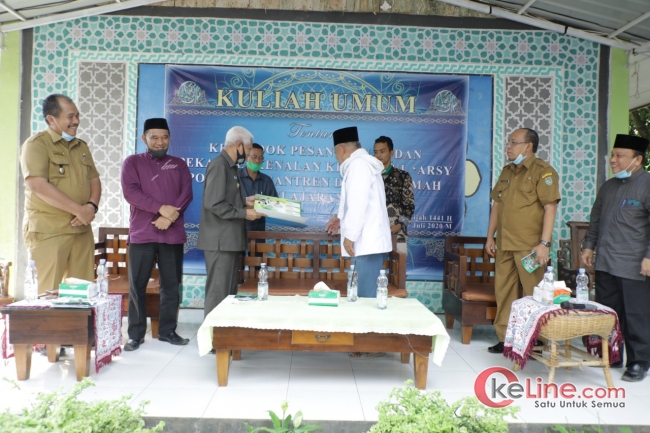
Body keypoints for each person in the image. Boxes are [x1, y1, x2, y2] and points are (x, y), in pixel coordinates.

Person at [485, 128, 560, 354]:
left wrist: (544, 244)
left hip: (530, 248)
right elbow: (497, 205)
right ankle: (506, 338)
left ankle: (535, 339)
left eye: (514, 142)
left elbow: (550, 207)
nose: (508, 146)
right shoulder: (507, 171)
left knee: (534, 295)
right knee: (504, 292)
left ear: (528, 146)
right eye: (508, 142)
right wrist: (490, 236)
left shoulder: (543, 172)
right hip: (505, 243)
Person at [582, 134, 650, 382]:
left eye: (620, 155)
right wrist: (589, 246)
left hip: (635, 265)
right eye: (613, 154)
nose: (613, 160)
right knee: (608, 314)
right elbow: (596, 219)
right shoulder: (608, 186)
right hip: (606, 262)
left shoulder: (647, 184)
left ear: (638, 159)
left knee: (636, 316)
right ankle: (612, 355)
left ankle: (639, 362)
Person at [120, 118, 193, 351]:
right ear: (144, 139)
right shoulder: (132, 163)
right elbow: (131, 193)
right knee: (137, 285)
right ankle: (135, 334)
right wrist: (160, 209)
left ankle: (168, 331)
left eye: (164, 137)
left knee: (171, 285)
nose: (160, 142)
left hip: (171, 235)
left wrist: (167, 217)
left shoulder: (179, 164)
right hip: (142, 234)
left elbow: (186, 195)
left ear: (169, 138)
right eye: (154, 137)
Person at [20, 94, 101, 294]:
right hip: (50, 231)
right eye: (70, 116)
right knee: (47, 294)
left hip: (81, 231)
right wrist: (79, 210)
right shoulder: (36, 145)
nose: (76, 121)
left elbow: (94, 180)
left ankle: (79, 328)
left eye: (77, 116)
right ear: (51, 119)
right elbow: (37, 184)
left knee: (82, 293)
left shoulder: (81, 146)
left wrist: (91, 207)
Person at [198, 126, 264, 318]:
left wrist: (245, 201)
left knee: (227, 292)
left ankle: (222, 337)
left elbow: (225, 199)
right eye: (249, 149)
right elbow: (214, 203)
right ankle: (211, 339)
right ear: (238, 145)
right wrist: (245, 213)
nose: (250, 153)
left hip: (228, 240)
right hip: (220, 241)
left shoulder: (230, 167)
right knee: (218, 291)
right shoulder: (220, 165)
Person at [325, 126, 392, 298]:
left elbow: (358, 202)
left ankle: (368, 326)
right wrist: (340, 218)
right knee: (361, 294)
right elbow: (357, 202)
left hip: (365, 244)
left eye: (335, 153)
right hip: (366, 244)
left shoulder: (358, 165)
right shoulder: (361, 164)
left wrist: (350, 236)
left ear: (342, 149)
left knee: (364, 298)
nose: (337, 158)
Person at [373, 136, 415, 254]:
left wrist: (400, 225)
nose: (378, 155)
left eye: (382, 151)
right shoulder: (370, 176)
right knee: (375, 266)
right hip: (373, 230)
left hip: (397, 231)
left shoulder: (403, 177)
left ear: (391, 153)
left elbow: (409, 205)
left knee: (399, 268)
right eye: (375, 152)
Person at [239, 143, 278, 232]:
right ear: (246, 158)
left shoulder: (267, 180)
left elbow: (275, 205)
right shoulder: (236, 177)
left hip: (259, 232)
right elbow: (228, 204)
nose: (257, 161)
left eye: (260, 158)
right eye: (254, 157)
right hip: (238, 232)